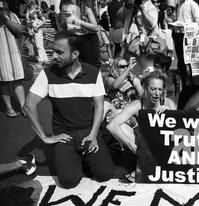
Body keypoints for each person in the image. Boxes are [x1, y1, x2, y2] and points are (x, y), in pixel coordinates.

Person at [23, 30, 114, 189]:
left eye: (59, 52)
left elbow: (99, 105)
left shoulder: (93, 72)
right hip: (64, 134)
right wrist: (45, 138)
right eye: (53, 52)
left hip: (88, 130)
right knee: (69, 181)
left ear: (75, 54)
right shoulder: (48, 73)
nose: (54, 56)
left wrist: (93, 134)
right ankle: (72, 155)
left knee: (104, 175)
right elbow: (28, 106)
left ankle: (85, 152)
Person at [170, 0, 199, 109]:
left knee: (190, 68)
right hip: (179, 36)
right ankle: (184, 93)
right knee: (182, 66)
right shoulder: (179, 4)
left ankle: (192, 94)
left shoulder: (192, 4)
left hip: (187, 38)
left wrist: (184, 25)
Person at [0, 0, 27, 118]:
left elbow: (20, 30)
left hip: (13, 51)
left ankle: (24, 106)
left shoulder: (12, 15)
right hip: (1, 52)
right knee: (4, 80)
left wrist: (6, 19)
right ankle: (9, 107)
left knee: (17, 79)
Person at [59, 0, 102, 69]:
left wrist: (79, 22)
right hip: (75, 39)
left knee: (92, 67)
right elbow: (64, 26)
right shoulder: (66, 8)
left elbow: (95, 27)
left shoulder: (86, 9)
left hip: (89, 40)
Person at [104, 56, 143, 124]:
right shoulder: (110, 79)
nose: (125, 68)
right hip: (117, 111)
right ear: (116, 68)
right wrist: (128, 69)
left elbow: (142, 94)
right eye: (122, 66)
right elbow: (114, 85)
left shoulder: (132, 80)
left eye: (126, 66)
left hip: (132, 111)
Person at [24, 0, 48, 64]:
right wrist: (29, 29)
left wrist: (37, 27)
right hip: (31, 29)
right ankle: (44, 59)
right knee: (35, 44)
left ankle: (41, 59)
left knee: (39, 44)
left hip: (37, 29)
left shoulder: (37, 9)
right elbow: (28, 21)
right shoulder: (28, 9)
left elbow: (44, 20)